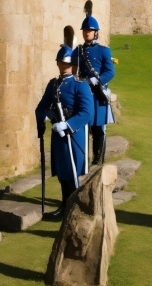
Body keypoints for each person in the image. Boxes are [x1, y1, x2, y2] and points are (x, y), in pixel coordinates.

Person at [35, 44, 94, 218]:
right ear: (58, 64)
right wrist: (43, 120)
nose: (64, 67)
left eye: (67, 64)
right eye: (61, 63)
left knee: (73, 171)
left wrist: (67, 125)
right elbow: (41, 107)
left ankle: (74, 211)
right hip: (57, 134)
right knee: (62, 171)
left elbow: (86, 112)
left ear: (73, 65)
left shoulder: (80, 85)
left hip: (73, 134)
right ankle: (64, 206)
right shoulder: (53, 84)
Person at [72, 5, 115, 165]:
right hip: (83, 93)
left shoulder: (104, 51)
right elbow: (74, 71)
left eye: (89, 30)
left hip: (97, 93)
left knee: (97, 128)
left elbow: (110, 72)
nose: (86, 33)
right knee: (83, 127)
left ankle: (97, 158)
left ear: (96, 32)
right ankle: (81, 159)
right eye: (84, 30)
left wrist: (98, 80)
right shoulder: (78, 51)